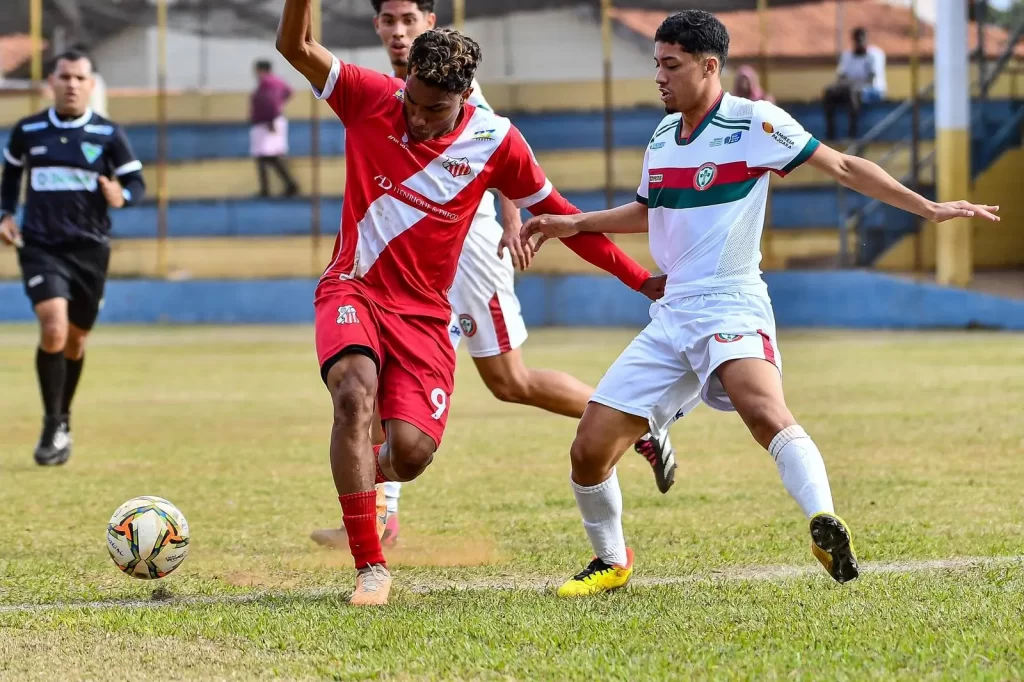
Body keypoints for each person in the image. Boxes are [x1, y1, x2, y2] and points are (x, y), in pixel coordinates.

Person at [521, 10, 999, 598]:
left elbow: (845, 165)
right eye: (657, 66)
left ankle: (824, 521)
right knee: (589, 450)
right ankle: (612, 561)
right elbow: (649, 209)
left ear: (709, 66)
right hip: (673, 312)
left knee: (762, 409)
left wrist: (927, 208)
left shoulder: (756, 124)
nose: (660, 78)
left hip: (731, 303)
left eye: (671, 66)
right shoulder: (662, 137)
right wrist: (569, 222)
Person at [276, 0, 664, 605]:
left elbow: (565, 219)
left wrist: (640, 280)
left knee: (410, 453)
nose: (420, 121)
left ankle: (373, 480)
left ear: (464, 99)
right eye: (413, 103)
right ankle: (371, 565)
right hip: (352, 285)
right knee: (353, 393)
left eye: (435, 110)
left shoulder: (496, 140)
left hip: (427, 313)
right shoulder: (368, 95)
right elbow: (295, 47)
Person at [0, 49, 145, 466]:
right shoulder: (28, 130)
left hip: (90, 250)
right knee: (54, 327)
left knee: (76, 341)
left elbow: (136, 182)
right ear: (51, 81)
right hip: (41, 247)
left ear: (91, 84)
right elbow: (10, 174)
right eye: (64, 77)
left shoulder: (107, 134)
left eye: (80, 78)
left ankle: (64, 418)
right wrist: (6, 213)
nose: (72, 84)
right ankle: (51, 424)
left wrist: (124, 194)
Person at [823, 27, 887, 140]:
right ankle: (830, 133)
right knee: (829, 91)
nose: (860, 43)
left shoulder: (875, 54)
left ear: (867, 40)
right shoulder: (847, 55)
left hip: (874, 90)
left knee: (853, 92)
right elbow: (841, 77)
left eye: (862, 39)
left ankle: (853, 133)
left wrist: (851, 84)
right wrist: (847, 84)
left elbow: (870, 80)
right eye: (857, 40)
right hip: (850, 88)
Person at [250, 59, 299, 198]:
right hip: (272, 120)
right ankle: (285, 185)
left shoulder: (266, 82)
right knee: (267, 155)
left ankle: (280, 187)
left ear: (260, 69)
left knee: (266, 155)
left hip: (267, 122)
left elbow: (270, 101)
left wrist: (271, 117)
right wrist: (280, 105)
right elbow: (289, 92)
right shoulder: (277, 81)